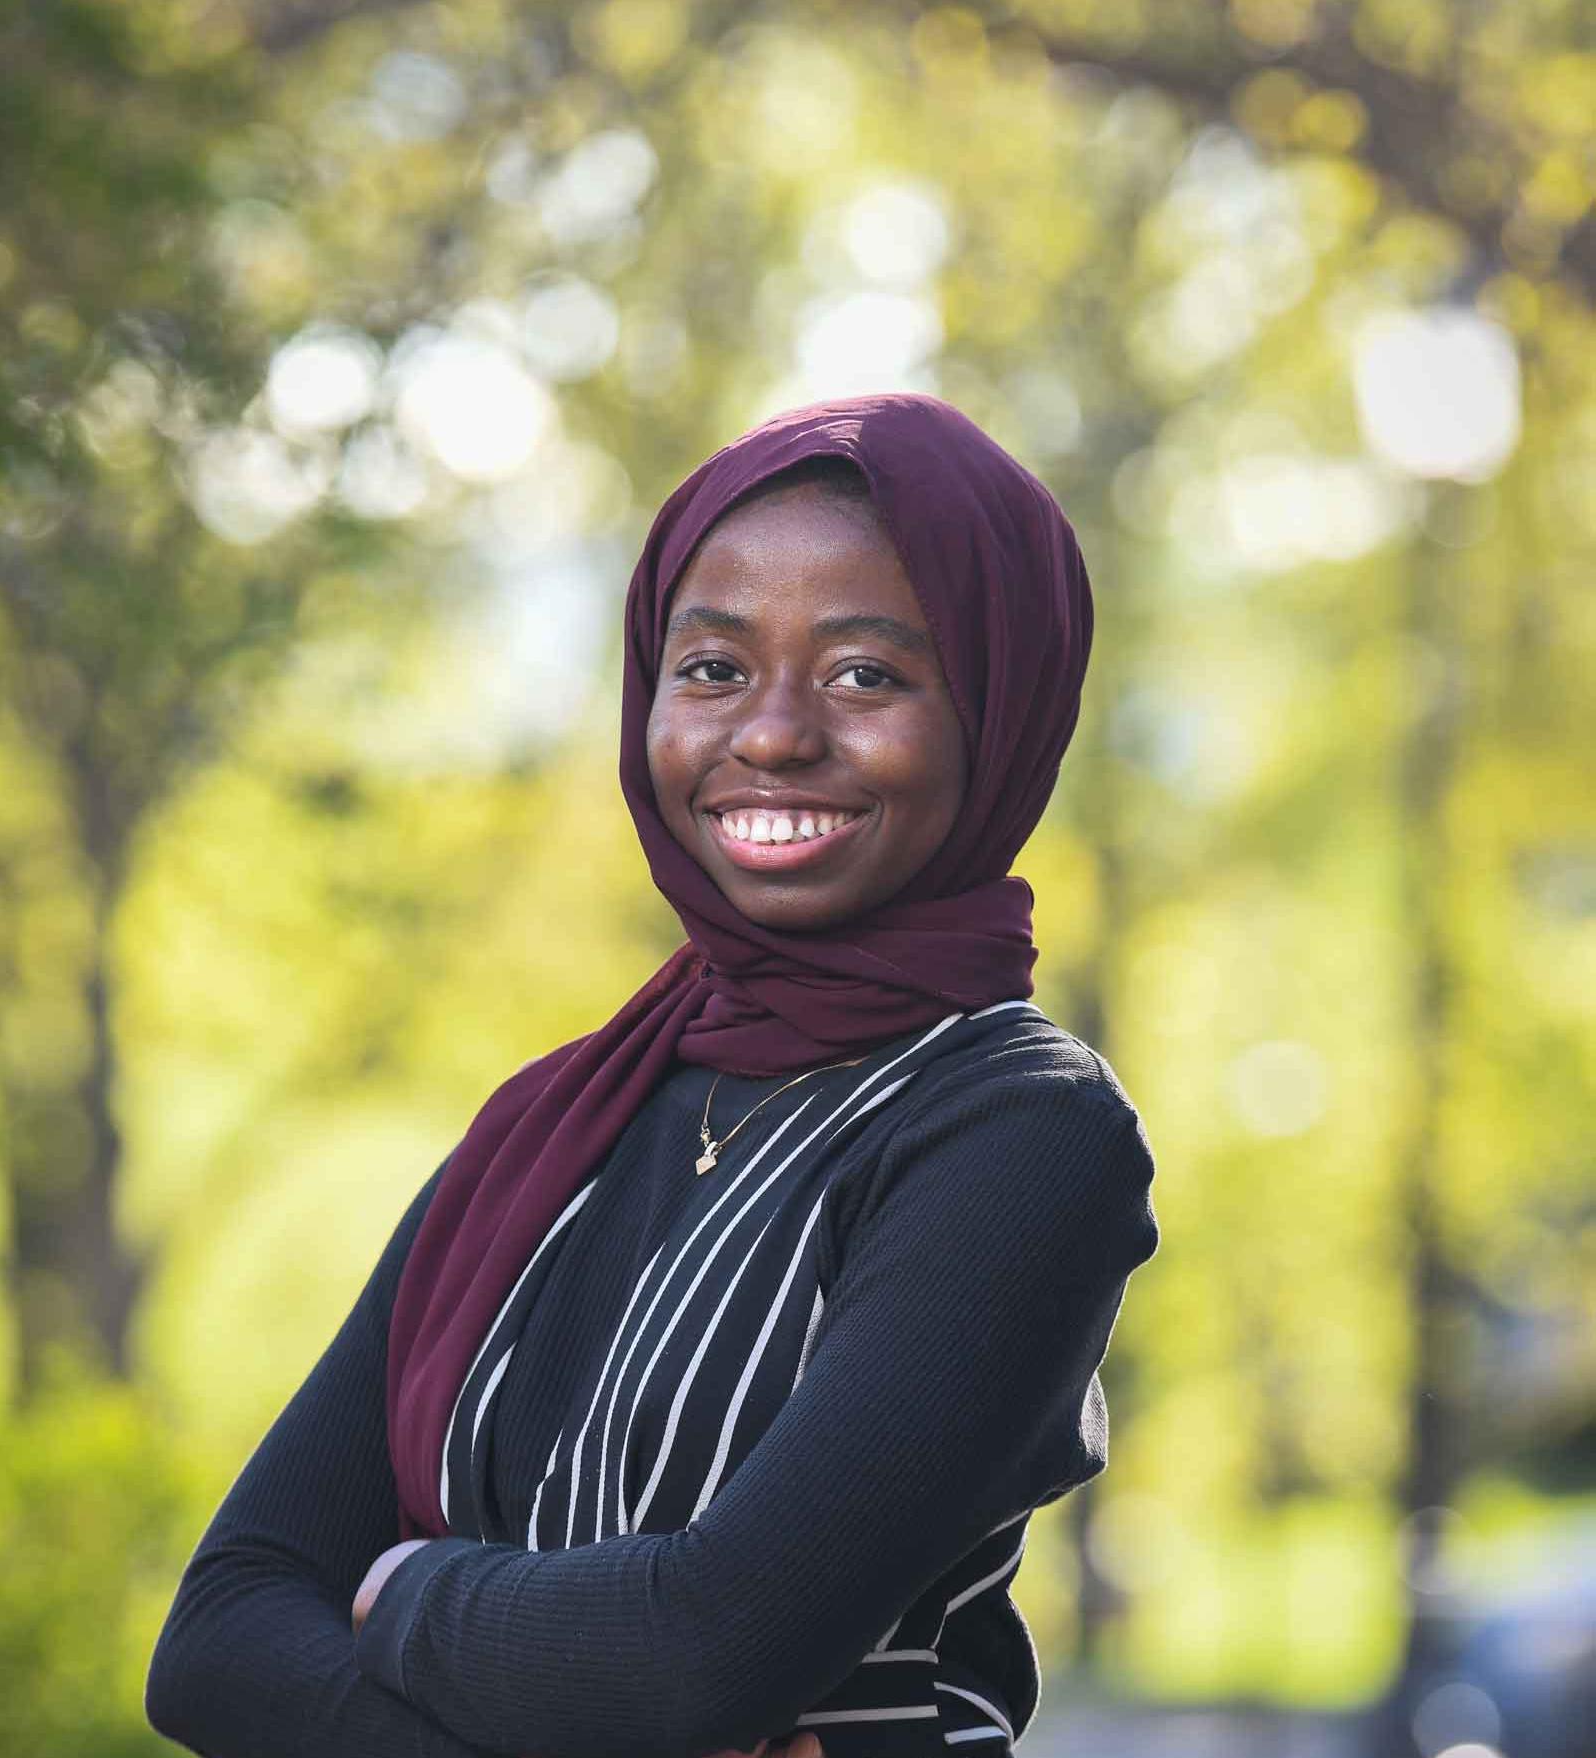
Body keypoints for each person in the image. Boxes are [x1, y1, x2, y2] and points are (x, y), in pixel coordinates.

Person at [144, 392, 1160, 1758]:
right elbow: (217, 1637)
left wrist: (402, 1589)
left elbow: (701, 1654)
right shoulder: (559, 1119)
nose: (774, 734)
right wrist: (579, 1671)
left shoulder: (1021, 1132)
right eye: (713, 669)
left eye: (865, 674)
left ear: (998, 706)